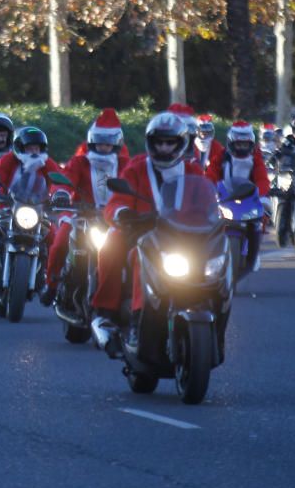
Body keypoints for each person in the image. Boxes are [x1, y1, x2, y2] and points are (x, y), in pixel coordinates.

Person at [98, 112, 204, 347]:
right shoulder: (136, 167)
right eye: (159, 142)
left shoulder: (194, 171)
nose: (164, 148)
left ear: (181, 143)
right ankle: (129, 318)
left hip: (185, 237)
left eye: (170, 142)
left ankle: (211, 309)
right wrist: (123, 212)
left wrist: (215, 215)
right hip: (143, 234)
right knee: (117, 249)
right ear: (151, 143)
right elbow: (117, 200)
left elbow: (207, 199)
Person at [41, 108, 129, 306]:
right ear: (92, 140)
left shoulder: (125, 164)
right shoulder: (80, 162)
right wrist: (61, 193)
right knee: (60, 241)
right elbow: (65, 179)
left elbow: (134, 186)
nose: (104, 146)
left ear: (116, 142)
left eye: (108, 142)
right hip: (82, 214)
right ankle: (52, 283)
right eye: (99, 141)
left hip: (116, 219)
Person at [0, 126, 71, 282]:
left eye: (36, 147)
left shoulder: (47, 163)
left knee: (54, 237)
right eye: (29, 147)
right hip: (8, 207)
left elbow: (58, 178)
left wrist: (60, 193)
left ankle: (49, 274)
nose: (33, 151)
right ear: (19, 147)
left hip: (38, 210)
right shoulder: (8, 160)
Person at [205, 121, 271, 270]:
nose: (242, 148)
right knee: (206, 223)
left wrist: (261, 196)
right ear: (231, 143)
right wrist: (208, 192)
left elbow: (262, 178)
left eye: (245, 144)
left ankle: (253, 254)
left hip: (249, 199)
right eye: (239, 144)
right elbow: (210, 175)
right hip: (223, 198)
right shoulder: (221, 157)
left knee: (258, 223)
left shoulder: (256, 158)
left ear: (251, 144)